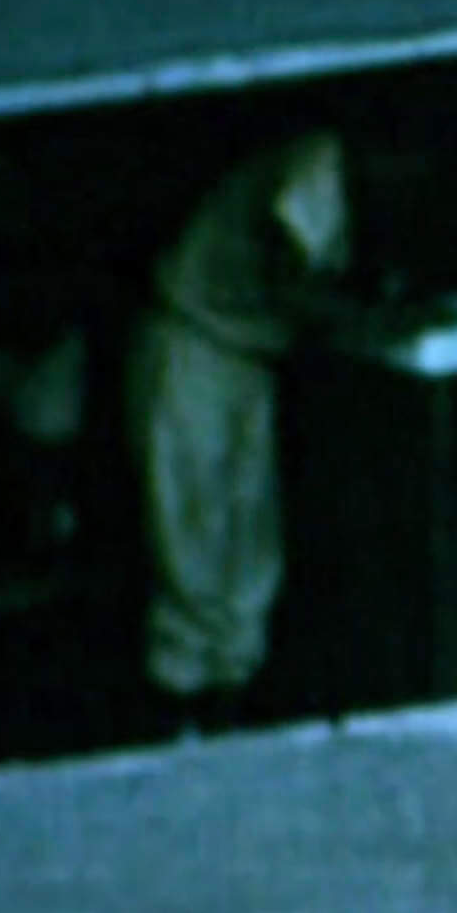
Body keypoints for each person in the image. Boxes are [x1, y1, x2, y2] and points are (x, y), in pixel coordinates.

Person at [130, 129, 353, 738]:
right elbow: (289, 277)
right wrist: (368, 318)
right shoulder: (316, 158)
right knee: (191, 537)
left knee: (249, 541)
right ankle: (176, 719)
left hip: (252, 355)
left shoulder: (340, 171)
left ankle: (230, 713)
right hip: (195, 342)